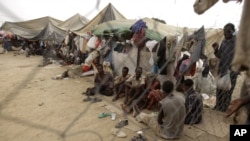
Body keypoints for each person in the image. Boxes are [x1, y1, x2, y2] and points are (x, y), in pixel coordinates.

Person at [212, 23, 239, 112]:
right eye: (224, 32)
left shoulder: (237, 42)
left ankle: (224, 107)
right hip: (222, 69)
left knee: (227, 90)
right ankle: (218, 105)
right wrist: (216, 49)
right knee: (219, 88)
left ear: (232, 32)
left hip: (232, 71)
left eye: (226, 33)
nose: (224, 34)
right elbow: (220, 55)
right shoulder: (224, 41)